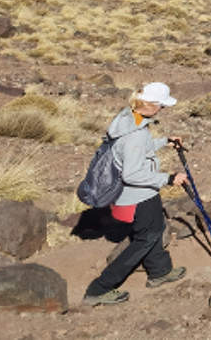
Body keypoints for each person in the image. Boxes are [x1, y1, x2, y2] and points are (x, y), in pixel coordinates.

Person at [83, 82, 188, 306]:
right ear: (149, 104)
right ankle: (100, 288)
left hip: (138, 193)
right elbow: (132, 173)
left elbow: (136, 149)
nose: (162, 110)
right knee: (145, 239)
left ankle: (160, 271)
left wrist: (164, 142)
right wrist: (168, 179)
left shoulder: (129, 119)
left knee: (154, 230)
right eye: (161, 106)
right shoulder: (135, 135)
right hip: (138, 195)